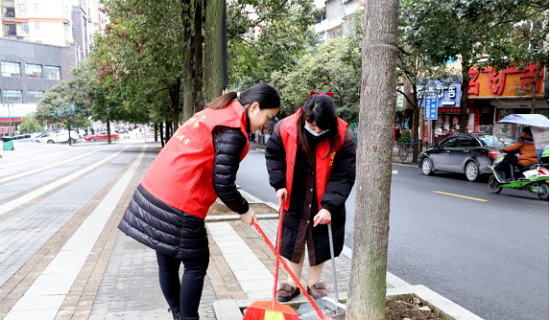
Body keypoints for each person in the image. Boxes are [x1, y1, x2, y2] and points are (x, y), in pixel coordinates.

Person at [118, 84, 281, 320]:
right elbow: (223, 184)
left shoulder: (215, 112)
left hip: (152, 190)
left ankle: (178, 314)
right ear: (254, 107)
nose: (267, 124)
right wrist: (244, 209)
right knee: (196, 263)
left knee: (168, 263)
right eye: (268, 117)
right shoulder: (232, 130)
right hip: (179, 202)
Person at [265, 92, 356, 302]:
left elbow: (343, 175)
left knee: (320, 237)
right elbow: (273, 156)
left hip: (324, 194)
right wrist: (279, 185)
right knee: (293, 237)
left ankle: (314, 281)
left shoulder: (343, 135)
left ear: (330, 122)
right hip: (295, 191)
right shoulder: (286, 127)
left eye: (319, 127)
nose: (314, 130)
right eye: (310, 124)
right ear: (304, 115)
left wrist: (329, 206)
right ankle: (291, 282)